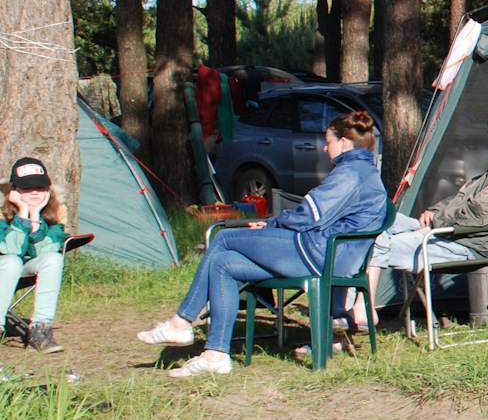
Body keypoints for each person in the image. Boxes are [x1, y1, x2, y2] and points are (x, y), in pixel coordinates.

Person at [137, 110, 387, 379]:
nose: (326, 147)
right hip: (331, 254)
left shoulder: (351, 173)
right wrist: (271, 225)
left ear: (344, 143)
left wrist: (271, 224)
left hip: (319, 253)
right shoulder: (364, 170)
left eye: (329, 141)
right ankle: (215, 355)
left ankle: (181, 322)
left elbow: (309, 215)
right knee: (223, 265)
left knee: (223, 237)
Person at [351, 105, 488, 328]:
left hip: (468, 244)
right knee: (378, 218)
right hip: (454, 233)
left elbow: (480, 211)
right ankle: (353, 307)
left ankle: (360, 309)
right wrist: (435, 212)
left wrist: (434, 226)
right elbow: (462, 199)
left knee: (376, 241)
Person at [0, 157, 70, 354]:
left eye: (40, 188)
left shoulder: (57, 211)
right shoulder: (0, 210)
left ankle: (41, 330)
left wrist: (36, 216)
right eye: (26, 188)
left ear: (48, 190)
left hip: (24, 266)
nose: (34, 192)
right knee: (12, 261)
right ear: (13, 191)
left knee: (53, 259)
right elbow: (10, 249)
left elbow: (45, 250)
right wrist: (22, 214)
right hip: (4, 264)